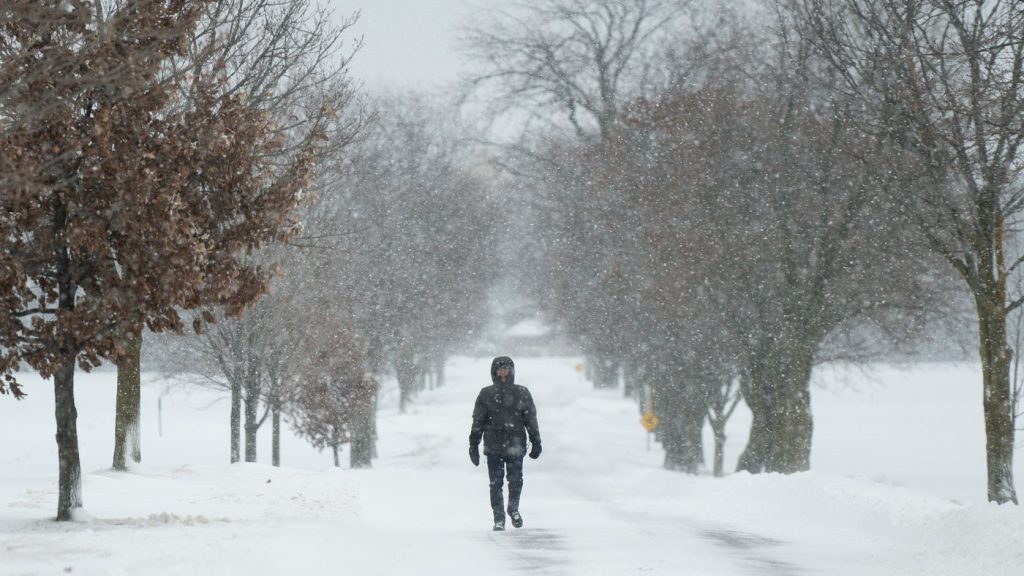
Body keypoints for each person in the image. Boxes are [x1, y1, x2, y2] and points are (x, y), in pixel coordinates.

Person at [468, 356, 541, 531]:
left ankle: (513, 508)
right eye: (499, 368)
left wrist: (536, 440)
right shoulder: (486, 394)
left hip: (515, 444)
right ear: (494, 371)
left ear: (512, 370)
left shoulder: (522, 392)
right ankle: (498, 518)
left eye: (506, 368)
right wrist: (473, 445)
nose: (502, 372)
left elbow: (530, 419)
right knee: (495, 483)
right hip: (493, 446)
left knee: (516, 480)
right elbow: (478, 421)